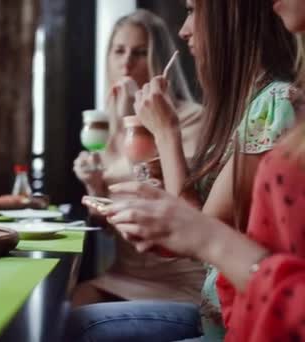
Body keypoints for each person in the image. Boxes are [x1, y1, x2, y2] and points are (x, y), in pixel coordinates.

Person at [68, 0, 298, 340]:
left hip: (219, 312)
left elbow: (201, 225)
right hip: (210, 306)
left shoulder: (272, 104)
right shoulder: (247, 105)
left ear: (229, 19)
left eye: (191, 10)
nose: (183, 29)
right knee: (68, 318)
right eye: (118, 51)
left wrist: (165, 132)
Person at [72, 9, 205, 307]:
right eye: (119, 51)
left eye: (139, 52)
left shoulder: (191, 119)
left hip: (178, 281)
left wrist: (138, 117)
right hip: (123, 274)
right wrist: (94, 187)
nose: (126, 62)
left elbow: (178, 203)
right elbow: (108, 227)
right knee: (63, 308)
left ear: (159, 60)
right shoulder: (109, 126)